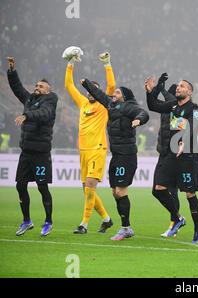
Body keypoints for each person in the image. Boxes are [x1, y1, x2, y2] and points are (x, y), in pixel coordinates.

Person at [81, 79, 149, 241]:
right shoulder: (110, 105)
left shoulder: (129, 106)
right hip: (116, 155)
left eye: (117, 92)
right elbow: (98, 94)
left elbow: (143, 113)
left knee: (120, 191)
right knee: (115, 192)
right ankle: (126, 227)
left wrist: (139, 120)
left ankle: (126, 228)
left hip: (127, 155)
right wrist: (86, 83)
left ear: (124, 96)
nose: (113, 94)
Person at [145, 75, 198, 244]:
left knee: (190, 193)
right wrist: (150, 92)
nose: (178, 88)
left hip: (187, 156)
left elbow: (195, 125)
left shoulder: (194, 108)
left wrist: (184, 141)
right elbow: (153, 105)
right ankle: (178, 218)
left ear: (190, 92)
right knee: (158, 189)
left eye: (183, 86)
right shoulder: (172, 106)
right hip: (171, 153)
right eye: (178, 86)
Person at [63, 48, 114, 234]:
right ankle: (107, 219)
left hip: (98, 149)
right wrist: (70, 63)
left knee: (90, 185)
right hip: (83, 150)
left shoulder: (103, 104)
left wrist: (107, 64)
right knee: (87, 189)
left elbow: (111, 86)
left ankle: (84, 224)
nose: (90, 92)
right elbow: (69, 86)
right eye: (88, 89)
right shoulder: (83, 103)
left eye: (94, 89)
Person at [6, 56, 58, 237]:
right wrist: (12, 70)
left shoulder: (51, 100)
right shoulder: (29, 99)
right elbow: (17, 88)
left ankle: (48, 221)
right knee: (20, 186)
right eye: (36, 85)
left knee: (42, 187)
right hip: (26, 152)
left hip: (41, 153)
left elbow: (44, 114)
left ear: (48, 91)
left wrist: (27, 116)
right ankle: (27, 220)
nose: (37, 88)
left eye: (41, 86)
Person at [150, 74, 181, 238]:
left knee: (172, 190)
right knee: (157, 190)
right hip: (163, 152)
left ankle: (174, 223)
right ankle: (177, 219)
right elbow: (154, 101)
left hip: (174, 153)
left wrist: (161, 85)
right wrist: (158, 87)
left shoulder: (180, 108)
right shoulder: (165, 108)